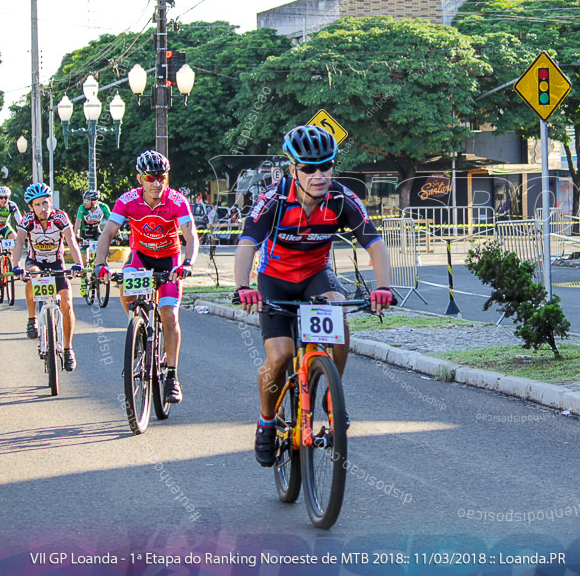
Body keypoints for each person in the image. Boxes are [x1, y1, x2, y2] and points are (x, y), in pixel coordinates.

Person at [233, 125, 394, 468]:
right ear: (293, 169)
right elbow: (247, 244)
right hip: (274, 279)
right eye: (309, 168)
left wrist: (383, 287)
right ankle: (265, 420)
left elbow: (375, 244)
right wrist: (243, 287)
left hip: (315, 276)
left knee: (338, 309)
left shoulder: (341, 199)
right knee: (280, 356)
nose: (319, 175)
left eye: (326, 166)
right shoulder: (273, 200)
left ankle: (332, 397)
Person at [94, 150, 197, 404]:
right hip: (141, 257)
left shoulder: (177, 200)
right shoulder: (127, 200)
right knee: (127, 291)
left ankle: (172, 375)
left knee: (169, 314)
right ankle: (137, 329)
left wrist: (187, 263)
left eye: (161, 177)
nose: (156, 183)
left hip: (170, 260)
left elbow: (190, 235)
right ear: (140, 178)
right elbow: (107, 233)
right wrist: (100, 265)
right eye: (150, 177)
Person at [11, 183, 84, 368]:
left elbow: (71, 241)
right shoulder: (27, 220)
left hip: (56, 263)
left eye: (45, 203)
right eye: (37, 205)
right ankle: (32, 319)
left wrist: (78, 264)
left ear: (50, 201)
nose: (43, 208)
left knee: (67, 303)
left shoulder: (60, 217)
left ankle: (68, 349)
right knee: (32, 276)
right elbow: (19, 241)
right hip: (36, 262)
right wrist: (16, 266)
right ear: (31, 207)